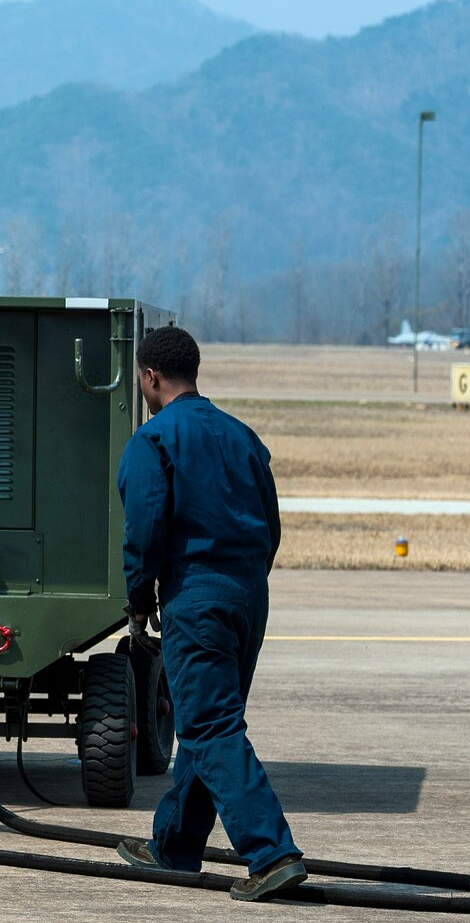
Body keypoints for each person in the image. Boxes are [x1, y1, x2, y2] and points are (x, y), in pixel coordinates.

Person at [112, 324, 305, 902]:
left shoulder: (154, 440)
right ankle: (174, 846)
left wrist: (140, 599)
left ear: (150, 376)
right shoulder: (243, 435)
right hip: (250, 593)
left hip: (196, 596)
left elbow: (144, 529)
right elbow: (271, 525)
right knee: (207, 719)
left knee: (212, 724)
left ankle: (271, 853)